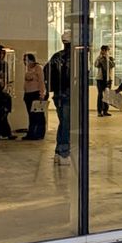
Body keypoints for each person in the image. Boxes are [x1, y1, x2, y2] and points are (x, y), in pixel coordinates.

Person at [46, 31, 74, 163]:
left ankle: (59, 150)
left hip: (58, 94)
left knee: (63, 122)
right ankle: (63, 152)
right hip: (67, 94)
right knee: (67, 124)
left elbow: (46, 71)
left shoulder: (56, 56)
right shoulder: (74, 57)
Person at [0, 45, 16, 140]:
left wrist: (5, 86)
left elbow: (6, 77)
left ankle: (3, 133)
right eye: (0, 53)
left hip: (2, 90)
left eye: (3, 53)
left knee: (3, 113)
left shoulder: (4, 64)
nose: (1, 55)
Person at [22, 53, 46, 140]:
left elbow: (41, 82)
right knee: (31, 115)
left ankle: (39, 133)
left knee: (38, 115)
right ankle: (31, 133)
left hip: (36, 94)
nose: (24, 62)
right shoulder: (27, 69)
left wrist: (41, 94)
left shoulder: (38, 68)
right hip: (28, 94)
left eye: (26, 60)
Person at [95, 44, 115, 116]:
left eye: (107, 50)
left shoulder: (110, 58)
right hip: (100, 79)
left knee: (107, 95)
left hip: (108, 79)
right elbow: (96, 65)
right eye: (104, 50)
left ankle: (105, 111)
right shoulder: (99, 58)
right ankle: (99, 111)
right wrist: (99, 57)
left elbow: (112, 65)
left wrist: (107, 59)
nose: (106, 52)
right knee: (100, 95)